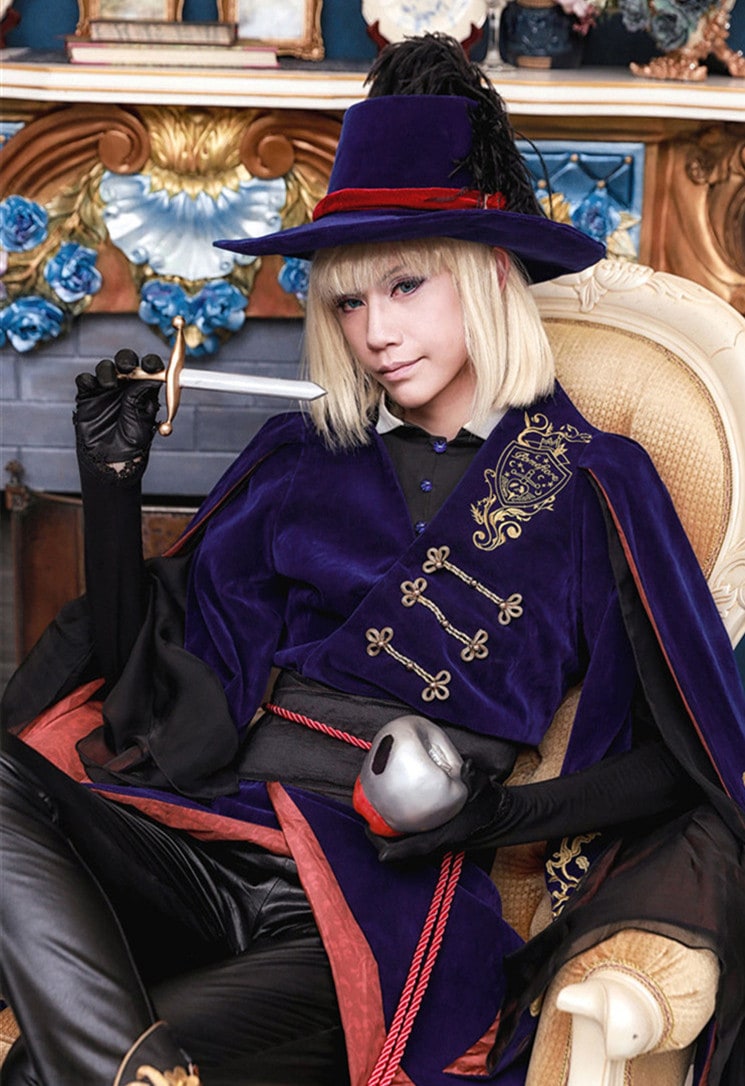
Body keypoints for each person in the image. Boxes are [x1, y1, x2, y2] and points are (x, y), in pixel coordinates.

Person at [2, 32, 745, 1086]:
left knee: (44, 1071)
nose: (375, 332)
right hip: (200, 841)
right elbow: (144, 693)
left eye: (404, 287)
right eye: (349, 302)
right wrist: (112, 490)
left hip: (370, 897)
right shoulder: (298, 455)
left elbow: (688, 754)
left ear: (487, 276)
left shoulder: (594, 480)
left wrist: (502, 817)